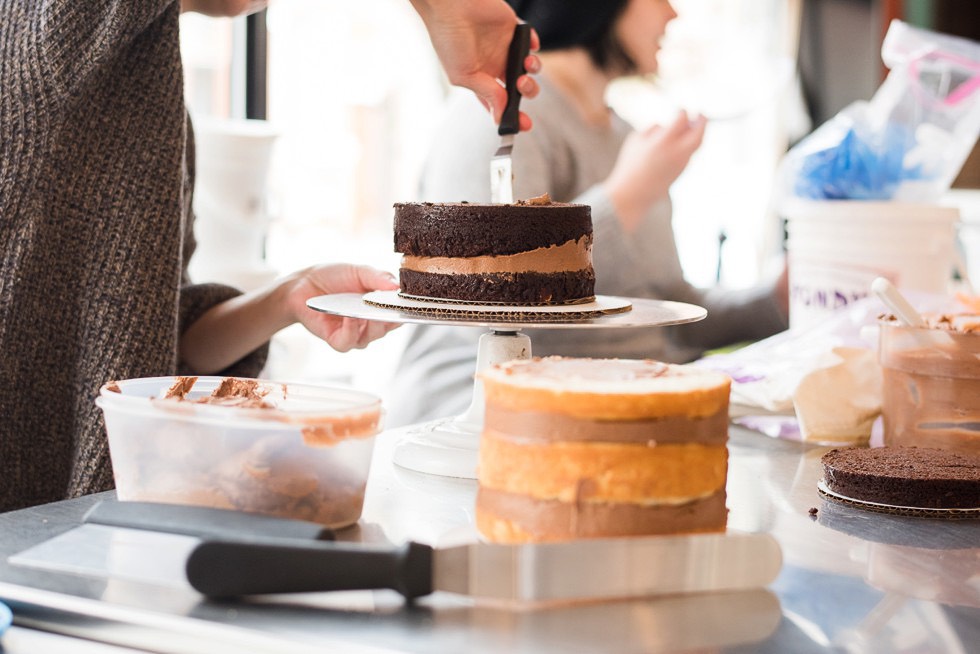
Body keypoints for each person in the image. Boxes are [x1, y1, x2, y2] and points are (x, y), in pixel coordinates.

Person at [0, 0, 539, 511]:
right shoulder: (57, 26)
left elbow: (158, 345)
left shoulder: (151, 95)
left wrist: (291, 295)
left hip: (73, 523)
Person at [387, 0, 789, 427]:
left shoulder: (627, 139)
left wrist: (773, 297)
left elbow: (663, 313)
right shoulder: (499, 116)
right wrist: (627, 195)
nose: (673, 14)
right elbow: (488, 302)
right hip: (480, 417)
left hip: (632, 407)